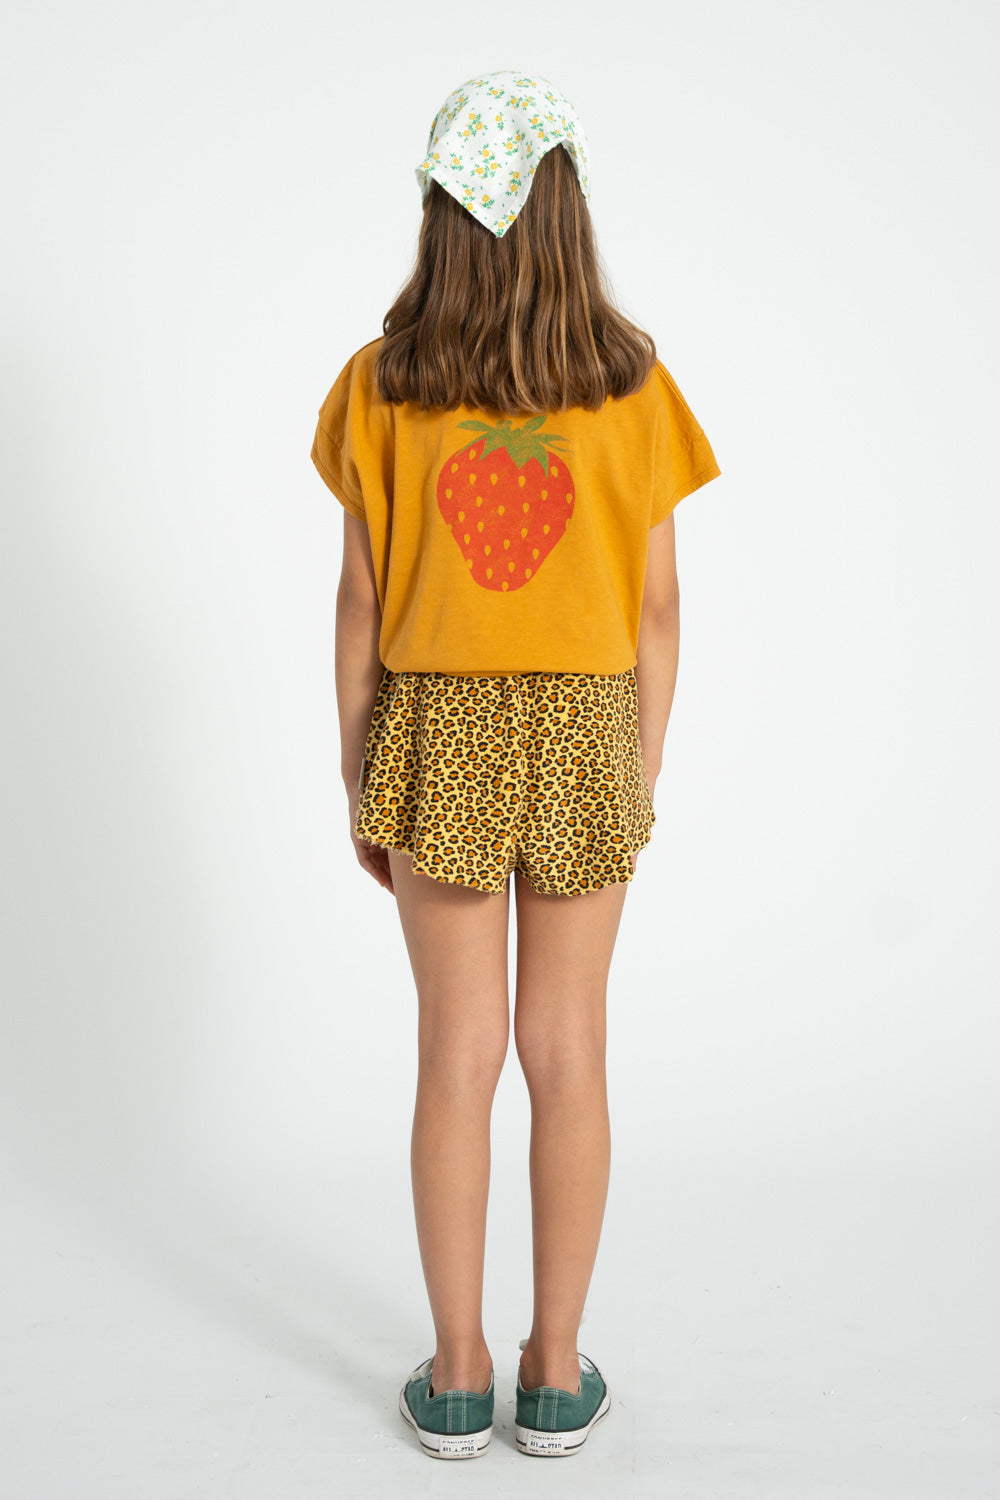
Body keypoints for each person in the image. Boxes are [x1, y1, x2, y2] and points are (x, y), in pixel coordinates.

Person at [309, 70, 721, 1461]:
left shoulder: (382, 384)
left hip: (439, 729)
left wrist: (364, 773)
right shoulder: (632, 382)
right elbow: (658, 610)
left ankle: (456, 1372)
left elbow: (361, 605)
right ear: (567, 207)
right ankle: (552, 1373)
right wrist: (635, 766)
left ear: (439, 212)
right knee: (569, 1047)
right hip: (589, 724)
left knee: (458, 1052)